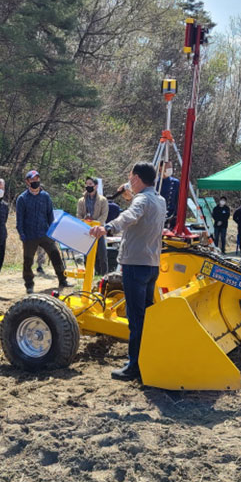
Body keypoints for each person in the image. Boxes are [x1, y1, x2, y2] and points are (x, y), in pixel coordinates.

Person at [89, 162, 166, 381]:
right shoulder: (159, 200)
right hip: (152, 264)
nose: (129, 180)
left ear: (137, 178)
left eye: (131, 176)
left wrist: (107, 227)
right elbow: (139, 212)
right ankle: (144, 358)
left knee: (135, 317)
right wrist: (129, 198)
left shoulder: (141, 200)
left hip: (135, 264)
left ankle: (134, 366)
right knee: (146, 316)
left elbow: (130, 216)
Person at [16, 170, 68, 294]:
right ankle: (29, 284)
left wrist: (53, 231)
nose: (35, 182)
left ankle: (62, 279)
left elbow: (50, 214)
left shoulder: (45, 196)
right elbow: (20, 218)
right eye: (32, 179)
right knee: (28, 261)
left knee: (55, 255)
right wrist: (22, 234)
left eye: (37, 179)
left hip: (45, 233)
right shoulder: (22, 198)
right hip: (29, 235)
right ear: (27, 181)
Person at [76, 177, 109, 275]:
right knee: (87, 254)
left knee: (102, 254)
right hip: (86, 230)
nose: (88, 186)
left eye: (90, 184)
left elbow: (104, 215)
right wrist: (84, 223)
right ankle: (88, 275)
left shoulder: (103, 200)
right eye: (87, 184)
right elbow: (78, 215)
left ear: (96, 186)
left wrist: (96, 225)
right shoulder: (81, 200)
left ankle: (104, 276)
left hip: (98, 230)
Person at [157, 161, 180, 228]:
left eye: (171, 167)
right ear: (160, 168)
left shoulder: (175, 182)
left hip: (171, 217)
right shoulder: (154, 182)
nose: (170, 169)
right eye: (168, 167)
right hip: (157, 216)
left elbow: (178, 200)